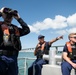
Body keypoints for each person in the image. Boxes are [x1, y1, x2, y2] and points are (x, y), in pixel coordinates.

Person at [0, 7, 30, 75]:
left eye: (10, 16)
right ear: (3, 16)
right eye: (7, 15)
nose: (8, 17)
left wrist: (19, 18)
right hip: (1, 58)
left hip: (13, 58)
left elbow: (27, 30)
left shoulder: (15, 28)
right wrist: (1, 12)